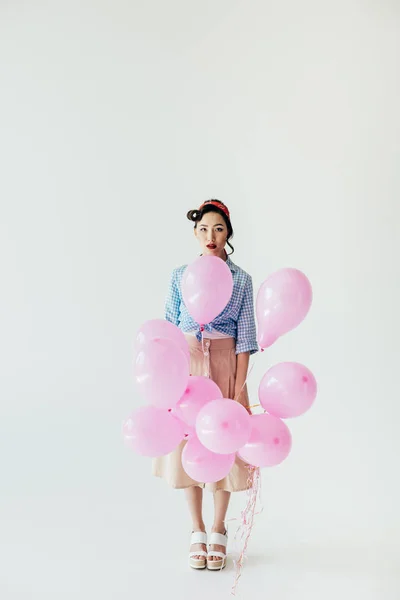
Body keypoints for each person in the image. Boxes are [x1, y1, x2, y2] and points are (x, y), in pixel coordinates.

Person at [152, 199, 258, 570]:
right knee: (189, 444)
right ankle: (196, 527)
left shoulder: (241, 279)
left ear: (228, 233)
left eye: (217, 229)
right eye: (203, 229)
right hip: (189, 365)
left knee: (224, 444)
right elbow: (167, 327)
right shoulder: (180, 274)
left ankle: (218, 528)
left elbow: (246, 340)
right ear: (194, 233)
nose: (210, 236)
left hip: (226, 364)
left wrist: (235, 386)